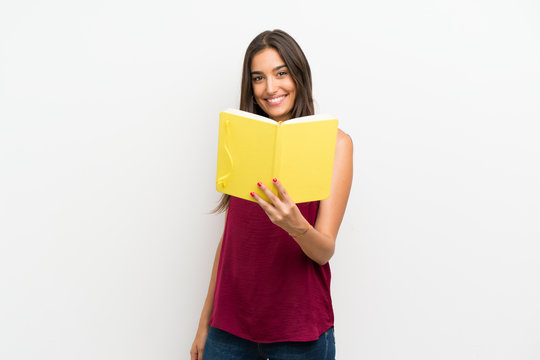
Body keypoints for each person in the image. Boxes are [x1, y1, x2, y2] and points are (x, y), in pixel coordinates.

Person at [190, 29, 353, 360]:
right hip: (230, 330)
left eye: (281, 73)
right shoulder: (242, 140)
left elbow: (324, 251)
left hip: (300, 330)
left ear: (299, 75)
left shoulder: (336, 144)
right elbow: (231, 240)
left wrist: (296, 226)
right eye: (258, 78)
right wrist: (205, 322)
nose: (270, 88)